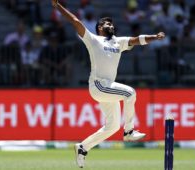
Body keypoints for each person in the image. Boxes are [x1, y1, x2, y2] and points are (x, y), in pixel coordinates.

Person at [51, 0, 165, 168]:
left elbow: (136, 40)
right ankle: (129, 131)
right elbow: (76, 22)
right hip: (98, 85)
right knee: (130, 93)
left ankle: (83, 147)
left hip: (107, 88)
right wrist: (58, 7)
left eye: (111, 23)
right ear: (99, 28)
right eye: (106, 23)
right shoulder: (93, 39)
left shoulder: (118, 42)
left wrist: (154, 37)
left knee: (112, 127)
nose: (110, 25)